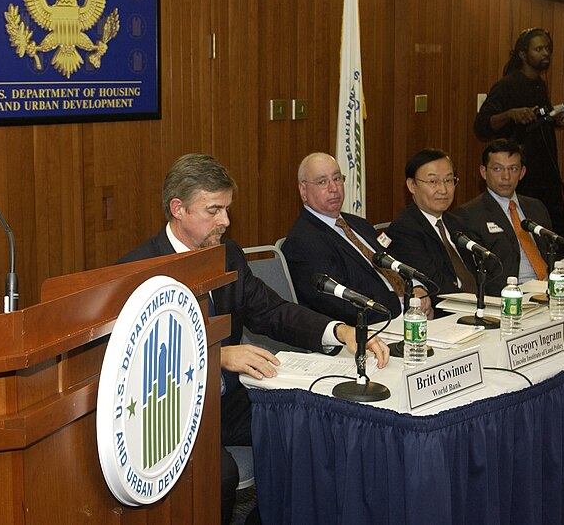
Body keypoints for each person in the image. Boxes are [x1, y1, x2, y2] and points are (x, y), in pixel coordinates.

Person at [118, 153, 389, 525]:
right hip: (173, 410)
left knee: (309, 421)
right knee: (221, 474)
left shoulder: (227, 254)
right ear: (177, 209)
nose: (226, 221)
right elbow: (136, 367)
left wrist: (338, 331)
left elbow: (272, 311)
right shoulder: (138, 271)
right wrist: (217, 357)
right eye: (214, 210)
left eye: (227, 209)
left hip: (230, 399)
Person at [282, 152, 432, 326]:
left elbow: (392, 266)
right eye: (322, 182)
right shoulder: (303, 241)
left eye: (337, 178)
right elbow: (340, 304)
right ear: (303, 190)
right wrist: (404, 302)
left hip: (408, 316)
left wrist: (416, 288)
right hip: (371, 328)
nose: (333, 188)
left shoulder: (358, 224)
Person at [474, 27, 564, 240]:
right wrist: (510, 114)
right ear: (523, 54)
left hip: (546, 173)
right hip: (523, 178)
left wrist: (556, 121)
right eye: (538, 49)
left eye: (547, 48)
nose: (545, 53)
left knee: (556, 231)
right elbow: (481, 125)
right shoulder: (507, 85)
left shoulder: (539, 85)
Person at [453, 139, 562, 296]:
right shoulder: (469, 214)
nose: (506, 176)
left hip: (549, 288)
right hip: (510, 294)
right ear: (483, 172)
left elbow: (552, 252)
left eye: (513, 169)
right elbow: (481, 274)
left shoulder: (536, 207)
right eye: (497, 169)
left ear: (522, 172)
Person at [385, 149, 478, 312]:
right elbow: (434, 287)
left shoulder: (457, 222)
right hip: (449, 314)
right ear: (412, 185)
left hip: (477, 306)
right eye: (433, 182)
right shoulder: (404, 229)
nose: (443, 190)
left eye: (449, 180)